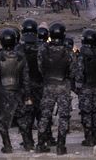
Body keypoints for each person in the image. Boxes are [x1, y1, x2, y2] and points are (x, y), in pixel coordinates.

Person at [0, 29, 31, 153]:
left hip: (3, 94)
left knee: (2, 122)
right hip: (19, 93)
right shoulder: (21, 57)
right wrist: (27, 95)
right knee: (23, 120)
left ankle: (7, 146)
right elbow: (26, 79)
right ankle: (28, 144)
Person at [36, 23, 75, 155]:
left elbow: (40, 68)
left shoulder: (43, 49)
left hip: (48, 85)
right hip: (63, 85)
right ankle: (60, 146)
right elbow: (73, 71)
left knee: (45, 116)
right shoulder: (68, 51)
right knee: (63, 117)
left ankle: (40, 144)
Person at [19, 19, 42, 147]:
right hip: (40, 86)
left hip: (24, 89)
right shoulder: (43, 47)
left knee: (27, 114)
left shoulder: (19, 48)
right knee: (42, 114)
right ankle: (44, 140)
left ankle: (28, 141)